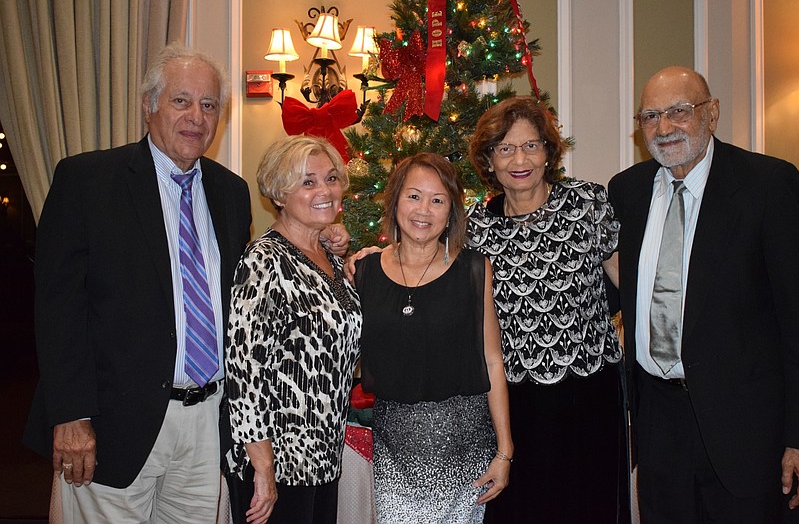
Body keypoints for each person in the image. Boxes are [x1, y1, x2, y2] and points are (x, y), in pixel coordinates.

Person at [22, 43, 253, 522]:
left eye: (209, 105)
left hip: (206, 424)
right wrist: (71, 414)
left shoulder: (231, 192)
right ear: (148, 105)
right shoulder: (87, 181)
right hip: (112, 425)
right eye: (181, 100)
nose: (196, 117)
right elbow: (59, 307)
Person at [608, 66, 799, 523]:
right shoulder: (627, 192)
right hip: (659, 427)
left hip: (749, 432)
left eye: (679, 111)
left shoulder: (767, 186)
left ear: (711, 113)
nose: (664, 127)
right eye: (650, 116)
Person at [464, 96, 629, 523]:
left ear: (548, 152)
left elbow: (631, 283)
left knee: (588, 508)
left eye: (531, 146)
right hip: (516, 402)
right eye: (505, 148)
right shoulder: (475, 227)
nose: (520, 159)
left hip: (590, 394)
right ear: (489, 159)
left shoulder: (587, 204)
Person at [354, 152, 512, 523]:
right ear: (394, 202)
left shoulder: (474, 269)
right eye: (413, 196)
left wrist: (505, 451)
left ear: (451, 212)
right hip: (396, 456)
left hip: (466, 453)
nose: (423, 210)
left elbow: (492, 361)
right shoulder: (363, 271)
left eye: (437, 200)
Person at [224, 135, 361, 524]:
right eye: (308, 181)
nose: (325, 190)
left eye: (331, 178)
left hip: (322, 456)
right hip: (277, 462)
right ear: (279, 195)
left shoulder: (329, 255)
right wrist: (263, 470)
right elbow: (244, 371)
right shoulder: (264, 260)